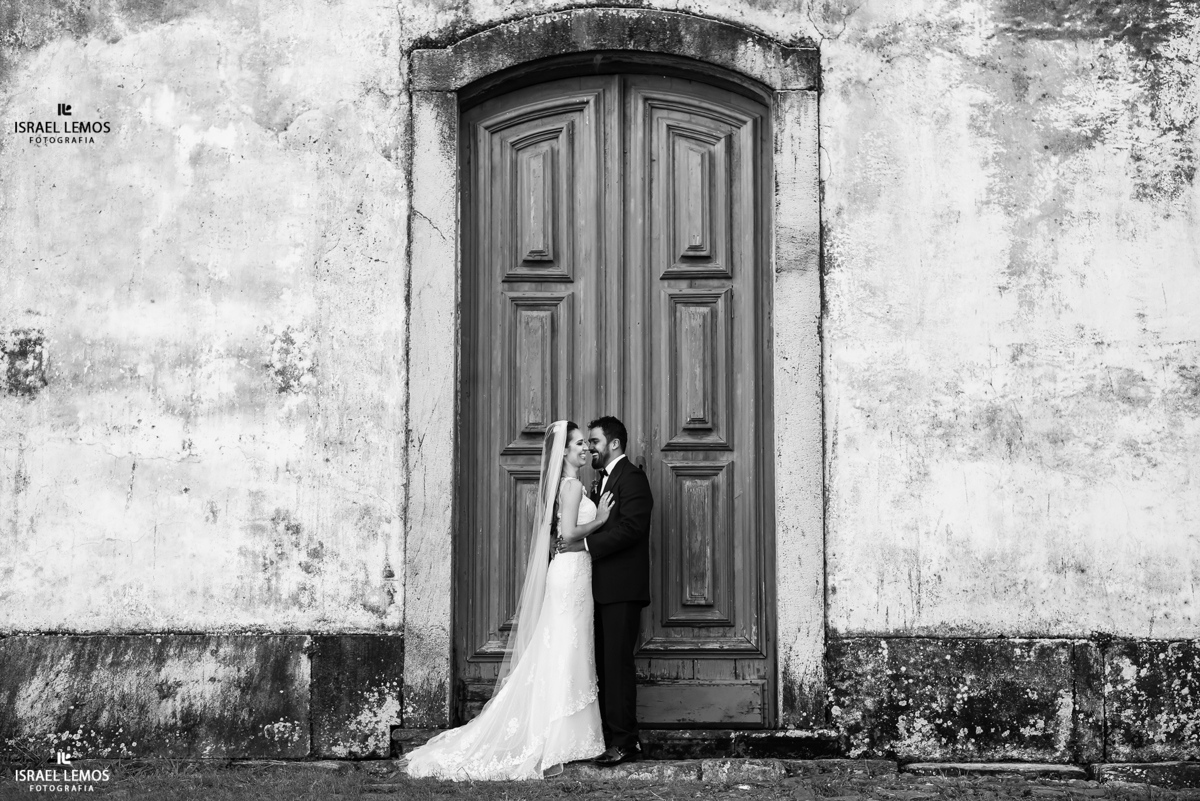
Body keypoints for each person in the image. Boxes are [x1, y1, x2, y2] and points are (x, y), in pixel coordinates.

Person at [404, 421, 614, 780]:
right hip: (571, 573)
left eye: (585, 444)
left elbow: (557, 535)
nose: (585, 449)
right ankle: (558, 737)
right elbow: (567, 533)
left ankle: (567, 734)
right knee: (565, 648)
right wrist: (603, 518)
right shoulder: (573, 485)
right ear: (563, 451)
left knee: (565, 647)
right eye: (579, 443)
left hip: (572, 571)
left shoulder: (567, 485)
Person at [556, 415, 653, 766]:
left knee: (617, 665)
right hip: (597, 589)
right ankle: (611, 735)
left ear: (612, 443)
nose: (589, 448)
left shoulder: (633, 479)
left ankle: (626, 741)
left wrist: (585, 547)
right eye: (584, 442)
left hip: (622, 589)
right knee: (604, 666)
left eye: (593, 441)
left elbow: (632, 529)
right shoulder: (597, 483)